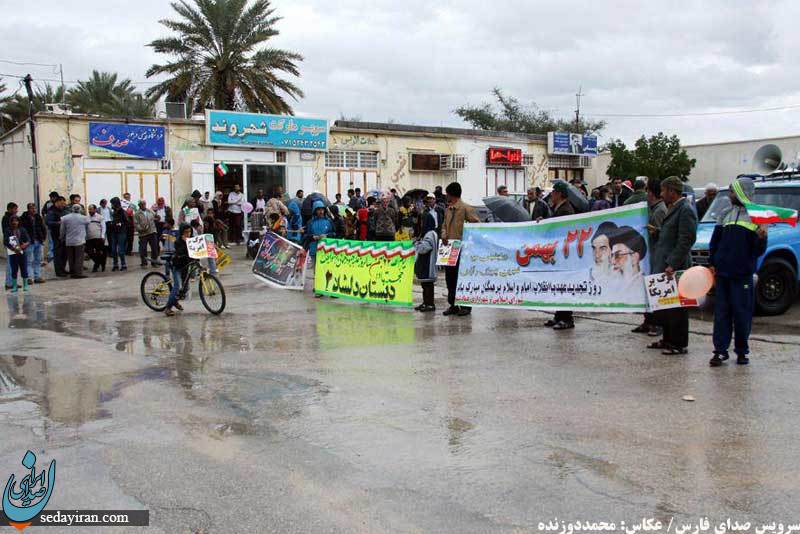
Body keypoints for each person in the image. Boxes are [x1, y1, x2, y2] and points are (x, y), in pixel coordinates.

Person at [708, 177, 767, 367]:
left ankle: (742, 352)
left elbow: (758, 250)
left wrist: (761, 238)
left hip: (742, 275)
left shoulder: (756, 217)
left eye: (733, 191)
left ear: (742, 192)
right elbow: (715, 242)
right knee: (722, 314)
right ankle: (720, 351)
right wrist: (713, 263)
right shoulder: (725, 214)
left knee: (742, 314)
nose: (730, 195)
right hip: (723, 274)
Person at [649, 176, 697, 355]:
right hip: (666, 264)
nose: (661, 194)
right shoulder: (673, 208)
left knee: (677, 308)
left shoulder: (685, 210)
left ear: (671, 191)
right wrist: (658, 232)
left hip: (676, 267)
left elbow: (686, 239)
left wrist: (673, 263)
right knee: (667, 305)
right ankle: (668, 339)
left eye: (663, 190)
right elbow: (672, 234)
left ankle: (678, 343)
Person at [632, 179, 668, 336]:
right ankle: (648, 321)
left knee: (656, 291)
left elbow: (662, 235)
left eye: (648, 192)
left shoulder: (660, 210)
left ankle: (658, 324)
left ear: (651, 193)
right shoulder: (651, 208)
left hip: (656, 255)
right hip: (648, 255)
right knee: (645, 290)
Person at [441, 182, 480, 317]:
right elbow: (444, 225)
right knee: (449, 278)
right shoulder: (448, 209)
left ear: (452, 195)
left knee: (461, 278)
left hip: (462, 249)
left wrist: (467, 238)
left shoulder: (465, 208)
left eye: (447, 194)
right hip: (449, 249)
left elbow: (476, 225)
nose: (446, 196)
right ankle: (453, 304)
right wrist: (444, 234)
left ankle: (465, 306)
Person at [547, 181, 576, 329]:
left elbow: (562, 230)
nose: (551, 194)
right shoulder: (557, 208)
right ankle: (559, 315)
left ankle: (567, 318)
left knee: (565, 284)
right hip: (558, 252)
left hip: (564, 253)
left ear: (559, 194)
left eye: (553, 192)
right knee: (558, 284)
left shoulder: (566, 210)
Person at [414, 209, 439, 312]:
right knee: (425, 285)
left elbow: (425, 248)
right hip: (426, 263)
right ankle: (425, 303)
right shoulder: (430, 233)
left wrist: (417, 244)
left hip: (428, 264)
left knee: (428, 286)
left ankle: (430, 304)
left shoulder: (430, 234)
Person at [165, 223, 192, 317]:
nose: (188, 234)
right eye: (186, 232)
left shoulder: (192, 240)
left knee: (185, 288)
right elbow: (180, 252)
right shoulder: (178, 241)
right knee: (177, 287)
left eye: (189, 231)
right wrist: (185, 243)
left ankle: (175, 301)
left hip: (186, 266)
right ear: (182, 232)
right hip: (177, 266)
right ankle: (168, 308)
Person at [60, 204, 90, 279]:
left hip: (69, 241)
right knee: (79, 257)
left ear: (71, 209)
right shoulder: (84, 218)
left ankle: (72, 272)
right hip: (79, 241)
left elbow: (62, 230)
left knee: (71, 257)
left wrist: (61, 237)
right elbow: (88, 224)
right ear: (80, 209)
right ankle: (78, 273)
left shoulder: (65, 218)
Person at [20, 203, 47, 284]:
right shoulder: (23, 218)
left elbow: (43, 227)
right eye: (32, 208)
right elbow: (22, 231)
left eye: (35, 208)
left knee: (38, 260)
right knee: (28, 260)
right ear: (28, 209)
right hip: (29, 242)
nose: (34, 210)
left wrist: (43, 237)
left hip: (38, 240)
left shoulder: (38, 217)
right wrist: (24, 241)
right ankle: (29, 278)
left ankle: (37, 276)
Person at [4, 216, 30, 292]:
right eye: (13, 221)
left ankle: (25, 285)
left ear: (19, 222)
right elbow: (5, 241)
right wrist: (13, 249)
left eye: (16, 221)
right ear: (10, 222)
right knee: (14, 269)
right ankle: (14, 286)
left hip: (22, 252)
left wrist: (25, 244)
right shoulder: (8, 230)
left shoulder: (22, 230)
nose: (14, 222)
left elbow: (28, 239)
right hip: (13, 253)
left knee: (24, 268)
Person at [45, 196, 68, 277]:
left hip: (65, 235)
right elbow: (48, 222)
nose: (63, 205)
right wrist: (57, 223)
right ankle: (58, 271)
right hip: (56, 235)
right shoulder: (51, 211)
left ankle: (63, 269)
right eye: (62, 203)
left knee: (64, 253)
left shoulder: (64, 210)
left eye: (64, 203)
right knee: (58, 253)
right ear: (57, 202)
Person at [135, 200, 161, 268]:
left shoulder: (149, 211)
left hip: (152, 231)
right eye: (142, 204)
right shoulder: (137, 213)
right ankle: (144, 263)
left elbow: (155, 216)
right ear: (139, 205)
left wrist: (157, 218)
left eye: (144, 204)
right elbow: (136, 224)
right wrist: (141, 229)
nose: (144, 205)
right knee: (143, 249)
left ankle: (154, 262)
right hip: (143, 233)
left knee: (154, 247)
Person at [108, 197, 130, 271]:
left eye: (112, 203)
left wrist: (120, 224)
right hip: (114, 232)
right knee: (113, 250)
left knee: (120, 250)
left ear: (116, 204)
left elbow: (127, 222)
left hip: (121, 232)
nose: (111, 205)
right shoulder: (113, 212)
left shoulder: (123, 212)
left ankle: (123, 265)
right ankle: (115, 265)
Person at [85, 204, 107, 273]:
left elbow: (103, 227)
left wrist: (102, 236)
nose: (90, 211)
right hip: (89, 238)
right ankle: (100, 262)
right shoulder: (86, 218)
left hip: (98, 237)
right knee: (90, 252)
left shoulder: (100, 217)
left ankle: (96, 266)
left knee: (98, 252)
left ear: (95, 209)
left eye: (91, 209)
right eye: (89, 209)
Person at [3, 202, 19, 289]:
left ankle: (13, 282)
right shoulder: (6, 218)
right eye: (15, 209)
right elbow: (8, 231)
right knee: (10, 263)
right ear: (10, 209)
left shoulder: (13, 218)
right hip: (11, 240)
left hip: (15, 239)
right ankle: (9, 283)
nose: (16, 211)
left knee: (15, 263)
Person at [42, 191, 59, 263]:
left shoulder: (59, 203)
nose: (52, 199)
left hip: (58, 225)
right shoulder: (48, 203)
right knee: (51, 240)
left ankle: (56, 254)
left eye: (53, 197)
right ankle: (51, 255)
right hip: (50, 225)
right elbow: (43, 212)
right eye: (51, 197)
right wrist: (46, 219)